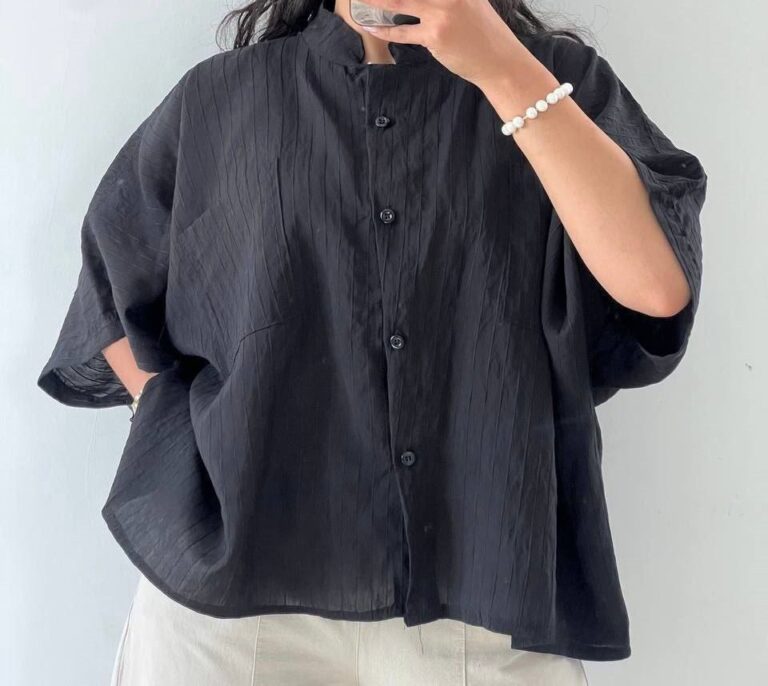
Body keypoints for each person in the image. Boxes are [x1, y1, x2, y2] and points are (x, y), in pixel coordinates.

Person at [37, 0, 707, 683]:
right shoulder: (223, 96)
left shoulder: (559, 79)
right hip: (232, 610)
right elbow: (111, 284)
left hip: (485, 595)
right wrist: (189, 445)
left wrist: (503, 68)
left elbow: (657, 288)